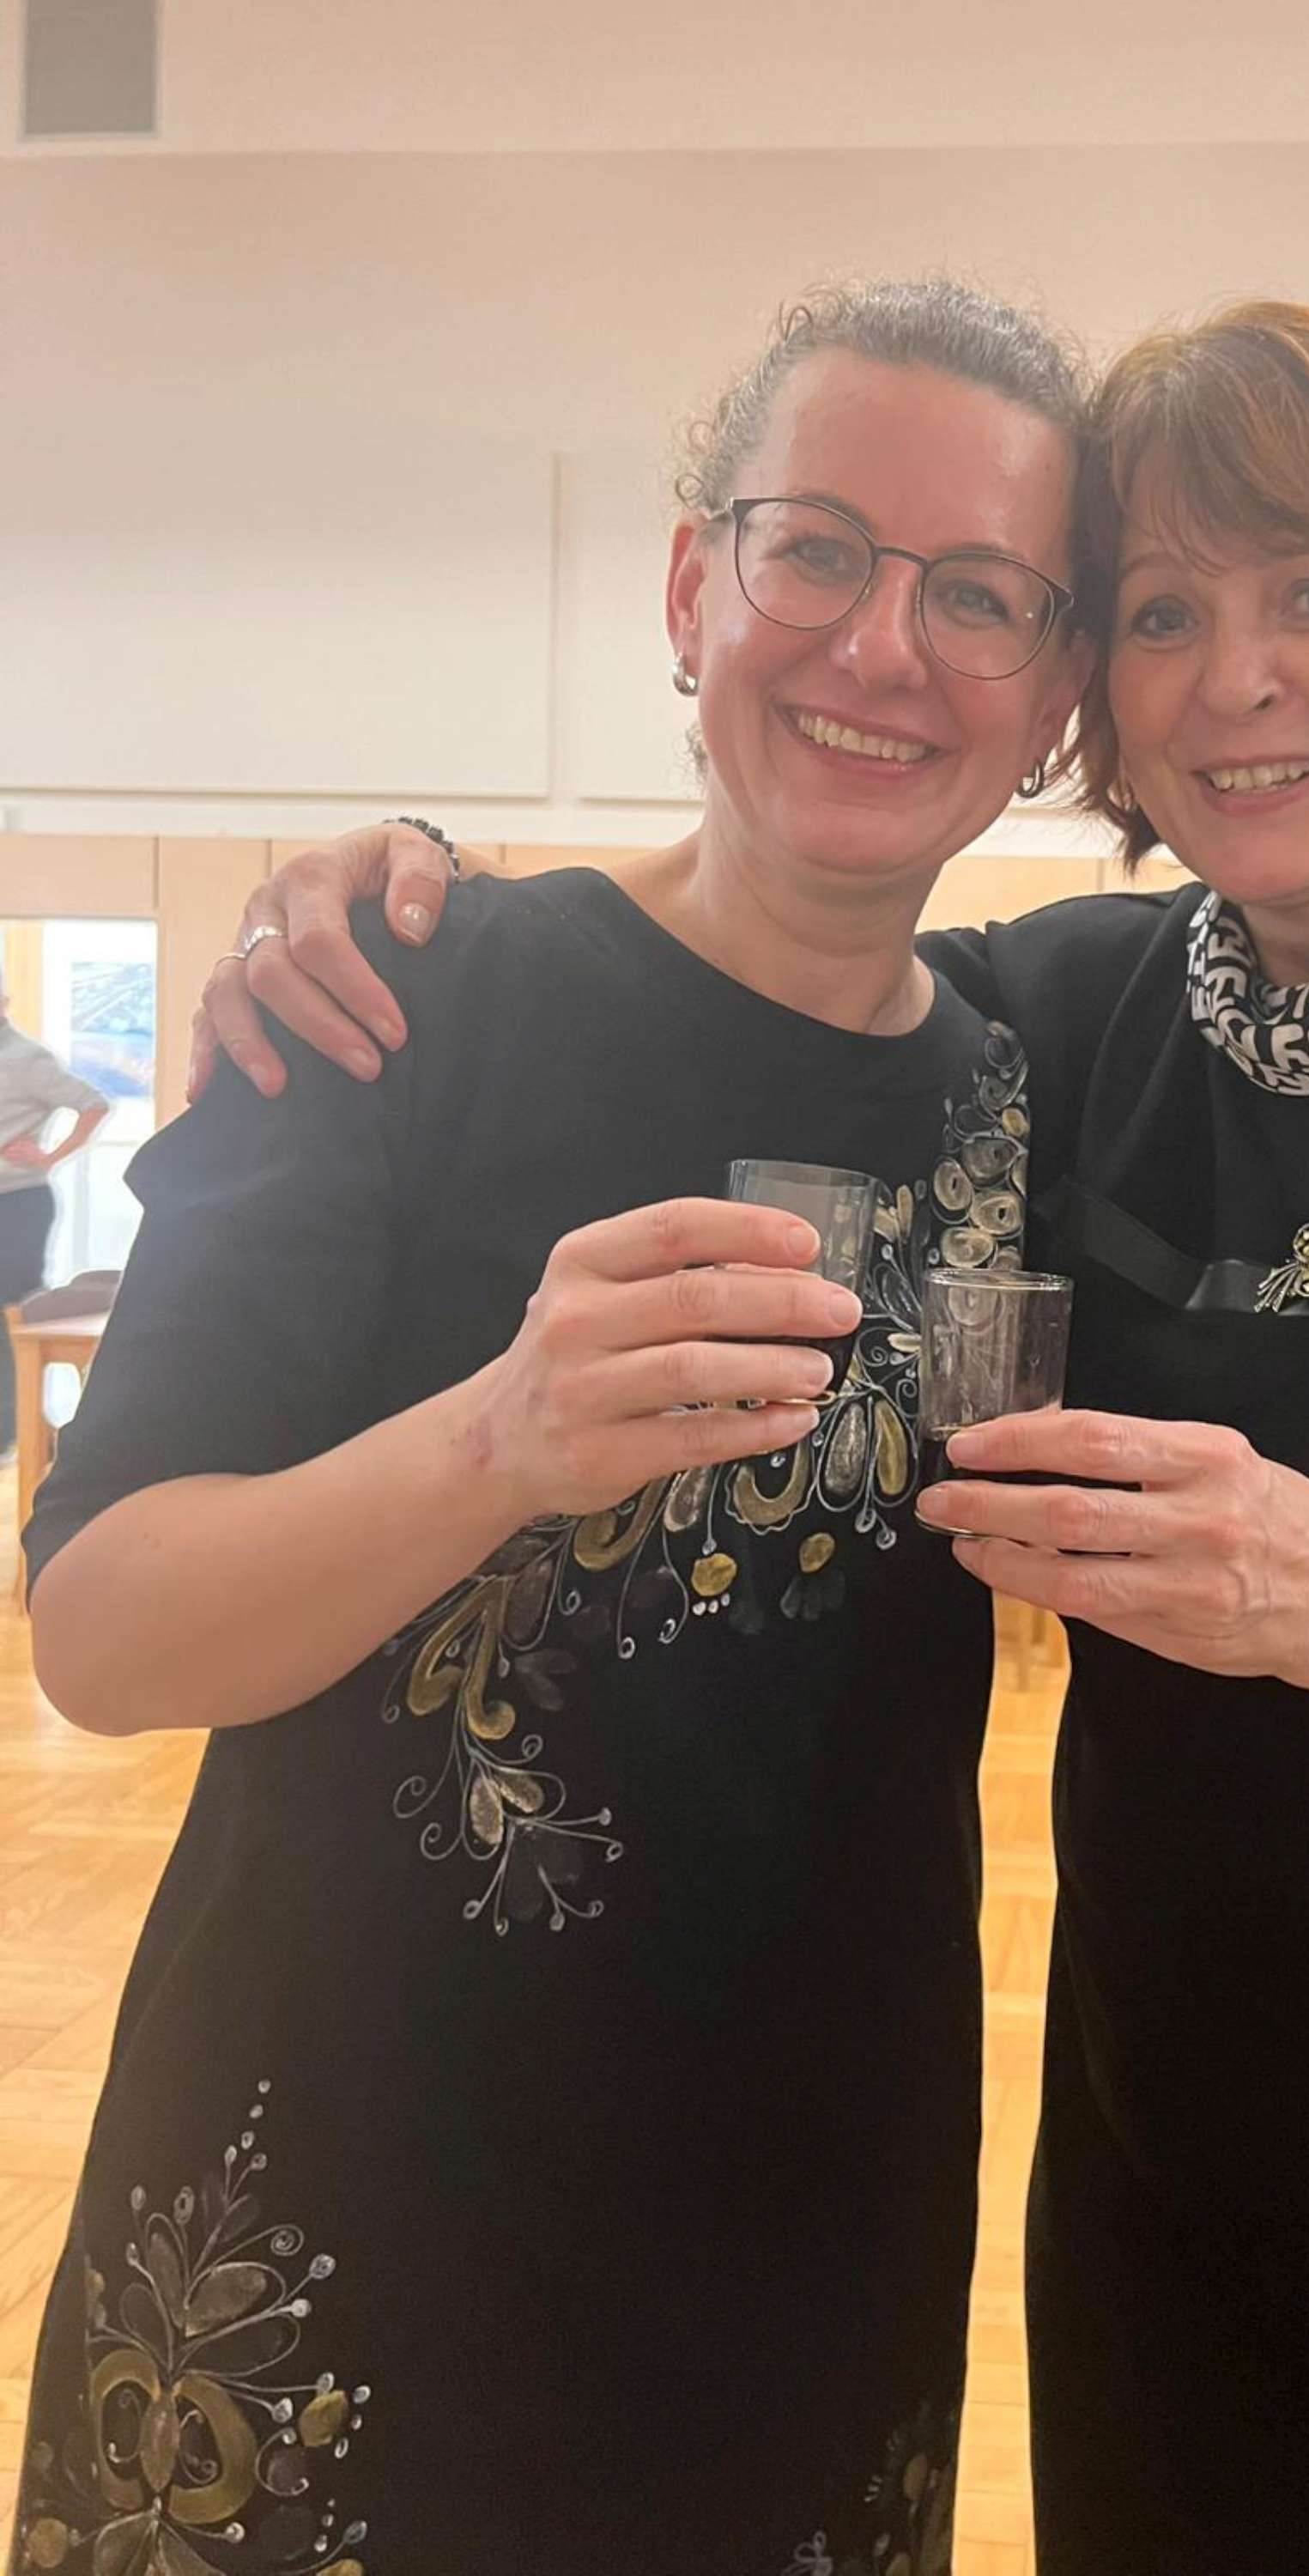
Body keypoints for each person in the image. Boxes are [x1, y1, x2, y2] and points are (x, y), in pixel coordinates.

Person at [190, 303, 1309, 2576]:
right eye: (1160, 612)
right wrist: (404, 901)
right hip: (1194, 2224)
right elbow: (753, 982)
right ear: (1093, 693)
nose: (1233, 679)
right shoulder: (1085, 1010)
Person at [9, 279, 1092, 2576]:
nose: (883, 647)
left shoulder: (1041, 1087)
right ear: (692, 589)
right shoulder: (391, 1005)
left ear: (1056, 695)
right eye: (815, 550)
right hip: (333, 2244)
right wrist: (494, 1439)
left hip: (805, 2253)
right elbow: (100, 1632)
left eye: (981, 594)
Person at [0, 987, 109, 1451]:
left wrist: (49, 1157)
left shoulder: (26, 1058)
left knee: (9, 1312)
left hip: (18, 1202)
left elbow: (93, 1103)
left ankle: (13, 1432)